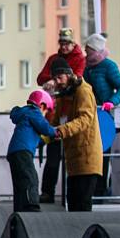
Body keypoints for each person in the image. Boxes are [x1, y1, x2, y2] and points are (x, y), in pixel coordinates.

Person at [37, 27, 86, 203]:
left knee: (74, 155)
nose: (64, 47)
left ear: (73, 43)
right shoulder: (53, 59)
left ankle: (73, 193)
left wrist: (56, 82)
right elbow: (40, 78)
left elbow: (77, 80)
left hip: (71, 113)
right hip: (55, 113)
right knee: (53, 155)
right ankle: (48, 192)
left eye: (67, 43)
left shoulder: (80, 59)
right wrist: (50, 80)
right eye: (62, 43)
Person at [49, 57, 102, 211]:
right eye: (54, 78)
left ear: (69, 74)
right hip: (73, 161)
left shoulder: (83, 91)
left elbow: (85, 119)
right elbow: (56, 122)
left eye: (59, 77)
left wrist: (61, 130)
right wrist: (44, 134)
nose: (57, 81)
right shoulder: (64, 95)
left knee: (82, 207)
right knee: (73, 207)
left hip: (86, 158)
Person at [82, 32, 120, 199]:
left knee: (103, 152)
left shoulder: (109, 66)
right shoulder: (87, 68)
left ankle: (101, 189)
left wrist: (111, 102)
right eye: (86, 51)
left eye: (89, 51)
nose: (87, 54)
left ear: (97, 51)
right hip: (90, 114)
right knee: (91, 152)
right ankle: (92, 188)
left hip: (106, 116)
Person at [7, 90, 57, 212]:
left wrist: (47, 140)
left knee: (20, 182)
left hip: (15, 152)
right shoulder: (34, 112)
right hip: (23, 151)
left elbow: (36, 141)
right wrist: (56, 132)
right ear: (42, 105)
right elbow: (45, 128)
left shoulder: (25, 115)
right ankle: (31, 205)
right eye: (46, 111)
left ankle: (20, 208)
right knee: (31, 177)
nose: (45, 115)